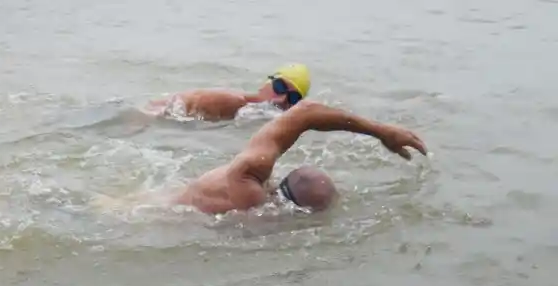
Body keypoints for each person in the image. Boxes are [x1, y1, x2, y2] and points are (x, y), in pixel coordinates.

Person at [94, 100, 427, 216]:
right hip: (129, 215)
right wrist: (381, 130)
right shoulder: (248, 177)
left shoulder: (259, 196)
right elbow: (305, 112)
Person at [145, 64, 313, 122]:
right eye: (280, 87)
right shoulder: (233, 102)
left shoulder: (253, 112)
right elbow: (171, 108)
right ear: (266, 84)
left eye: (293, 97)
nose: (282, 98)